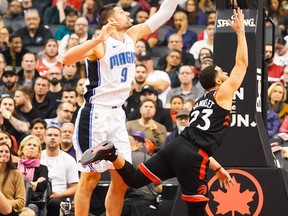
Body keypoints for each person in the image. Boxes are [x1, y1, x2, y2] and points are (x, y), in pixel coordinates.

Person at [81, 7, 247, 216]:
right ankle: (112, 154)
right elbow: (242, 64)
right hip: (193, 156)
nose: (225, 73)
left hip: (176, 146)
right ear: (218, 81)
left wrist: (217, 168)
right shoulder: (223, 94)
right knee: (197, 209)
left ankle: (111, 154)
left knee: (134, 180)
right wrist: (241, 32)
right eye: (222, 72)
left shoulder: (200, 101)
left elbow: (196, 139)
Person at [62, 1, 181, 215]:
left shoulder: (132, 34)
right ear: (111, 21)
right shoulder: (100, 44)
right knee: (91, 177)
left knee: (122, 178)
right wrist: (96, 38)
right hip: (96, 113)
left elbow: (165, 12)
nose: (128, 14)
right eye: (121, 12)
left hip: (117, 113)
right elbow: (66, 58)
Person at [40, 126, 79, 216]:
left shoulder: (69, 159)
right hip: (39, 195)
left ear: (60, 139)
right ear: (44, 138)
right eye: (49, 135)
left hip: (60, 198)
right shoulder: (37, 157)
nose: (53, 137)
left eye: (56, 135)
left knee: (54, 203)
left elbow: (74, 187)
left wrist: (59, 194)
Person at [17, 135, 49, 216]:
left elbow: (41, 187)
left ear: (38, 151)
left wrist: (23, 183)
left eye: (35, 145)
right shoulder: (14, 166)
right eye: (29, 144)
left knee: (31, 208)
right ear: (22, 149)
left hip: (34, 201)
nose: (32, 147)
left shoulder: (42, 168)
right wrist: (33, 184)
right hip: (15, 199)